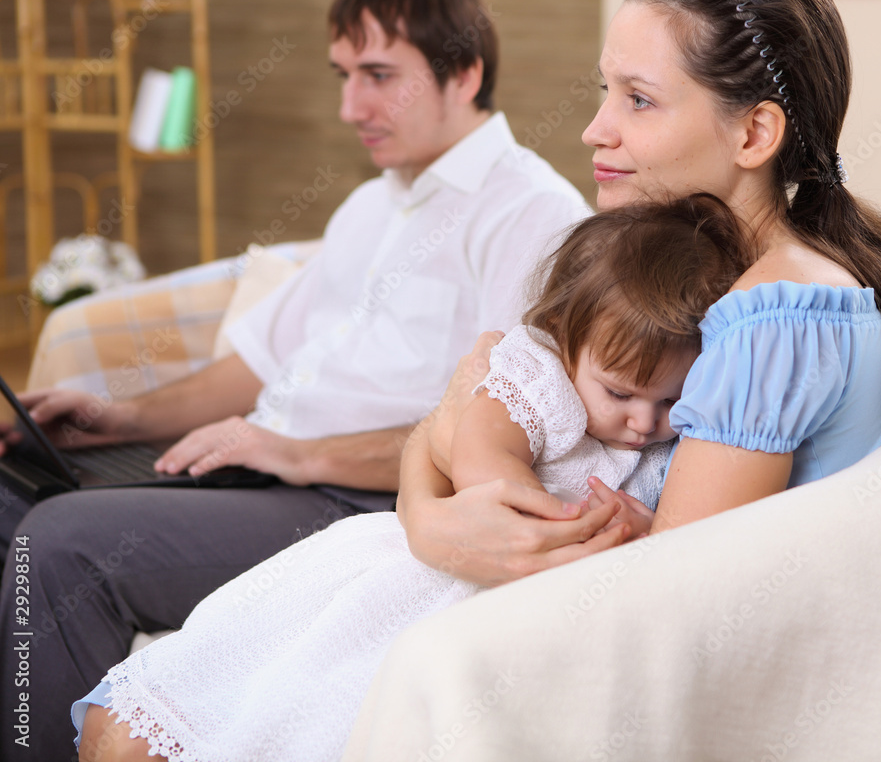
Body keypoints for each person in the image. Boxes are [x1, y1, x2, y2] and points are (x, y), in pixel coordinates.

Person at [0, 0, 590, 761]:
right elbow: (254, 364)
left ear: (466, 73)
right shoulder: (372, 203)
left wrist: (295, 452)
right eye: (344, 75)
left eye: (379, 75)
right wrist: (116, 418)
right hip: (267, 470)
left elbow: (494, 442)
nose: (351, 106)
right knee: (9, 495)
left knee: (63, 544)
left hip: (355, 504)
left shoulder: (531, 216)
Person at [396, 0, 881, 585]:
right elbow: (494, 402)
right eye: (608, 92)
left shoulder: (777, 316)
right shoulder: (691, 283)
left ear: (753, 135)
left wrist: (434, 512)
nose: (596, 130)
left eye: (640, 100)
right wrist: (426, 517)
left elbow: (665, 597)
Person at [75, 195, 751, 761]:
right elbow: (485, 439)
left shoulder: (676, 441)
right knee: (289, 680)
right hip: (428, 573)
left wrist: (640, 529)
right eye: (623, 394)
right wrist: (512, 501)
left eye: (669, 402)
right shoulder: (542, 377)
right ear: (567, 340)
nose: (643, 421)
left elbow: (683, 529)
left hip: (517, 616)